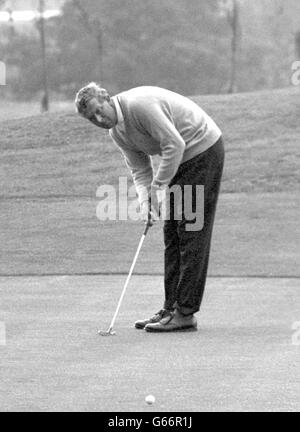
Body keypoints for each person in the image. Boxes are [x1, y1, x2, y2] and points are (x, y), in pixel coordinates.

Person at [75, 83, 224, 333]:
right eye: (92, 118)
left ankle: (185, 313)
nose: (99, 119)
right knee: (172, 234)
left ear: (106, 98)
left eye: (99, 110)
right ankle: (170, 308)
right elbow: (139, 169)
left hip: (202, 149)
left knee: (190, 232)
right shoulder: (117, 133)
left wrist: (158, 187)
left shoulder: (138, 106)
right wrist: (147, 203)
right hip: (182, 159)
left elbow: (173, 144)